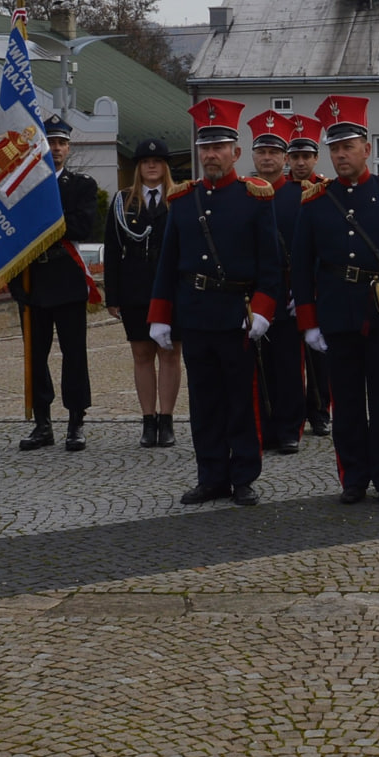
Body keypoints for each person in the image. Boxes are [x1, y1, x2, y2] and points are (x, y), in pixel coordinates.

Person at [291, 95, 379, 506]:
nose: (340, 155)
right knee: (346, 402)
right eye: (334, 148)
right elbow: (301, 267)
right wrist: (309, 322)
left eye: (348, 146)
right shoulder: (315, 201)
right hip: (336, 313)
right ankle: (353, 478)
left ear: (367, 148)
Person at [148, 98, 280, 507]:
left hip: (237, 314)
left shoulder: (255, 197)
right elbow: (168, 262)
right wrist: (160, 315)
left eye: (219, 146)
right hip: (195, 312)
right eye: (205, 147)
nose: (211, 154)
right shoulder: (183, 200)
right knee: (203, 401)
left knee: (241, 400)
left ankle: (243, 476)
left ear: (236, 152)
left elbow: (271, 264)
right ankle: (210, 476)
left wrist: (263, 309)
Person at [10, 114, 98, 453]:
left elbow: (82, 226)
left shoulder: (81, 185)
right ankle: (42, 422)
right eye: (51, 143)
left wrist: (46, 219)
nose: (57, 149)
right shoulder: (25, 186)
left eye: (61, 143)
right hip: (33, 280)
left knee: (74, 354)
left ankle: (76, 421)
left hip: (67, 278)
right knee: (36, 354)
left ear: (69, 148)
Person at [104, 137, 182, 448]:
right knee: (141, 354)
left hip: (170, 289)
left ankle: (167, 419)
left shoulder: (179, 199)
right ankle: (148, 421)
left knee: (170, 353)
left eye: (158, 161)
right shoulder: (123, 201)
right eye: (146, 162)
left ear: (165, 166)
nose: (152, 166)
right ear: (138, 167)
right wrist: (112, 296)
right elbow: (112, 250)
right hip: (134, 288)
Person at [247, 109, 306, 455]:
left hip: (287, 292)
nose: (267, 158)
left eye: (274, 152)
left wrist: (305, 292)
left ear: (285, 158)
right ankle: (262, 426)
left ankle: (288, 428)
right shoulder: (244, 192)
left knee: (287, 364)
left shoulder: (301, 196)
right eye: (261, 152)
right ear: (252, 155)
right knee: (256, 366)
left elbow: (311, 250)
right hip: (252, 294)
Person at [286, 114, 331, 437]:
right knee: (287, 356)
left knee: (318, 354)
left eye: (306, 156)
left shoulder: (325, 190)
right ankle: (292, 411)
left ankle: (320, 411)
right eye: (295, 156)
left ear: (316, 158)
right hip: (283, 282)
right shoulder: (274, 190)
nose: (301, 162)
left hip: (316, 282)